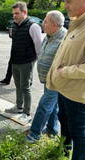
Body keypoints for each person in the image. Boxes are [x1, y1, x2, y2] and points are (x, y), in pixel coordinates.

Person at [46, 0, 85, 160]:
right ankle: (63, 152)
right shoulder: (77, 22)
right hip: (65, 89)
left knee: (79, 133)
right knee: (64, 123)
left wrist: (65, 72)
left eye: (68, 1)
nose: (65, 5)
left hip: (77, 94)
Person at [26, 10, 67, 143]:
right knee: (52, 106)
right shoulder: (50, 35)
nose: (42, 23)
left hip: (56, 81)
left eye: (45, 21)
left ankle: (34, 133)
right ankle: (52, 130)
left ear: (55, 24)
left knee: (44, 105)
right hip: (47, 79)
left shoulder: (64, 39)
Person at [5, 2, 43, 122]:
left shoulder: (33, 26)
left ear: (24, 12)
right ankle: (19, 107)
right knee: (17, 85)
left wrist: (34, 61)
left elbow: (39, 47)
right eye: (13, 14)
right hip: (15, 61)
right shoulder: (15, 25)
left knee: (25, 87)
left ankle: (27, 113)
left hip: (27, 62)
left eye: (17, 13)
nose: (14, 16)